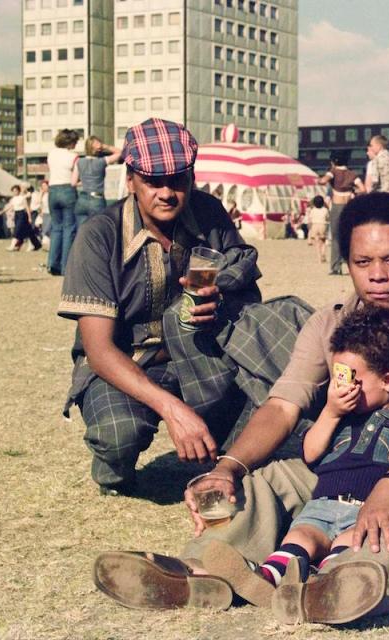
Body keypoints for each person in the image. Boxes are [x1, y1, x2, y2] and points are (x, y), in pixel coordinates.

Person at [92, 192, 389, 623]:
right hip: (339, 462)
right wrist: (228, 468)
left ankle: (351, 581)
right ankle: (203, 573)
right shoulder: (330, 321)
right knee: (266, 478)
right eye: (362, 263)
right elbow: (282, 406)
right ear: (347, 261)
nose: (376, 276)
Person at [58, 118, 262, 496]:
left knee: (259, 428)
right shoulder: (99, 236)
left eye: (178, 180)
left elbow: (248, 284)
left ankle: (222, 434)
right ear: (131, 180)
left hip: (200, 358)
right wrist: (173, 410)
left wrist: (222, 297)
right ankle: (111, 469)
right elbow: (99, 352)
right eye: (153, 181)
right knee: (118, 434)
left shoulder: (209, 213)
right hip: (125, 364)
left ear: (192, 176)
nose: (166, 193)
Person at [202, 306, 389, 609]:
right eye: (337, 376)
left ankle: (323, 587)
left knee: (349, 545)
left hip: (368, 510)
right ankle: (266, 579)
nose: (341, 386)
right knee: (301, 536)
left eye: (351, 378)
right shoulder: (341, 412)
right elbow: (310, 452)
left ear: (388, 381)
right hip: (322, 503)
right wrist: (331, 412)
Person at [318, 153, 364, 275]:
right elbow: (363, 189)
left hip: (337, 206)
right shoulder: (352, 174)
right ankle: (350, 264)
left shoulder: (333, 171)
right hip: (349, 206)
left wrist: (320, 180)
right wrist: (353, 191)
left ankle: (335, 267)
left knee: (336, 238)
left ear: (333, 162)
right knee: (349, 236)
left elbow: (323, 181)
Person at [47, 129, 81, 276]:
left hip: (52, 190)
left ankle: (52, 263)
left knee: (56, 228)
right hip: (67, 189)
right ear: (71, 142)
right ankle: (65, 265)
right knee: (69, 228)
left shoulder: (51, 154)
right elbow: (75, 179)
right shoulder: (74, 157)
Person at [73, 136, 123, 231]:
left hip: (82, 199)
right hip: (97, 199)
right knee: (97, 230)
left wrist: (84, 182)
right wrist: (104, 146)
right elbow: (120, 152)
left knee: (81, 232)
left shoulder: (79, 162)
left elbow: (73, 183)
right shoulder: (102, 161)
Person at [5, 185, 41, 252]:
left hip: (22, 215)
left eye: (15, 191)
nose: (14, 192)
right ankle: (37, 245)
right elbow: (11, 206)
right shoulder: (13, 199)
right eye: (13, 191)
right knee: (28, 231)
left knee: (17, 230)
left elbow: (26, 207)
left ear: (19, 191)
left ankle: (12, 246)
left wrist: (29, 217)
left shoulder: (22, 197)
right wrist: (3, 211)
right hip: (17, 215)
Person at [308, 194, 329, 263]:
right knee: (323, 241)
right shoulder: (325, 210)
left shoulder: (313, 210)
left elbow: (310, 219)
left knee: (317, 243)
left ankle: (319, 258)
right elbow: (327, 217)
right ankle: (323, 253)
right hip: (323, 225)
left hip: (315, 225)